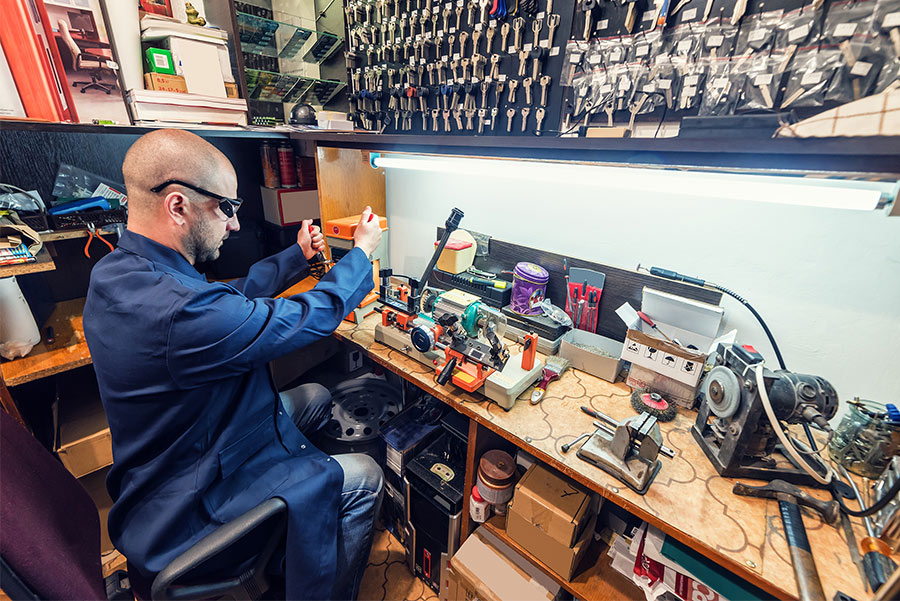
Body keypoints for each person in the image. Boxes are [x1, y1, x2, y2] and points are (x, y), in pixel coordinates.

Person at [83, 129, 384, 601]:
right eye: (226, 207)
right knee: (365, 476)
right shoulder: (176, 314)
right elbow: (307, 317)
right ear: (178, 205)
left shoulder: (120, 272)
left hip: (188, 445)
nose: (236, 224)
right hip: (191, 501)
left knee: (315, 396)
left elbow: (224, 302)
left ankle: (301, 531)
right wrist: (362, 253)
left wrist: (296, 257)